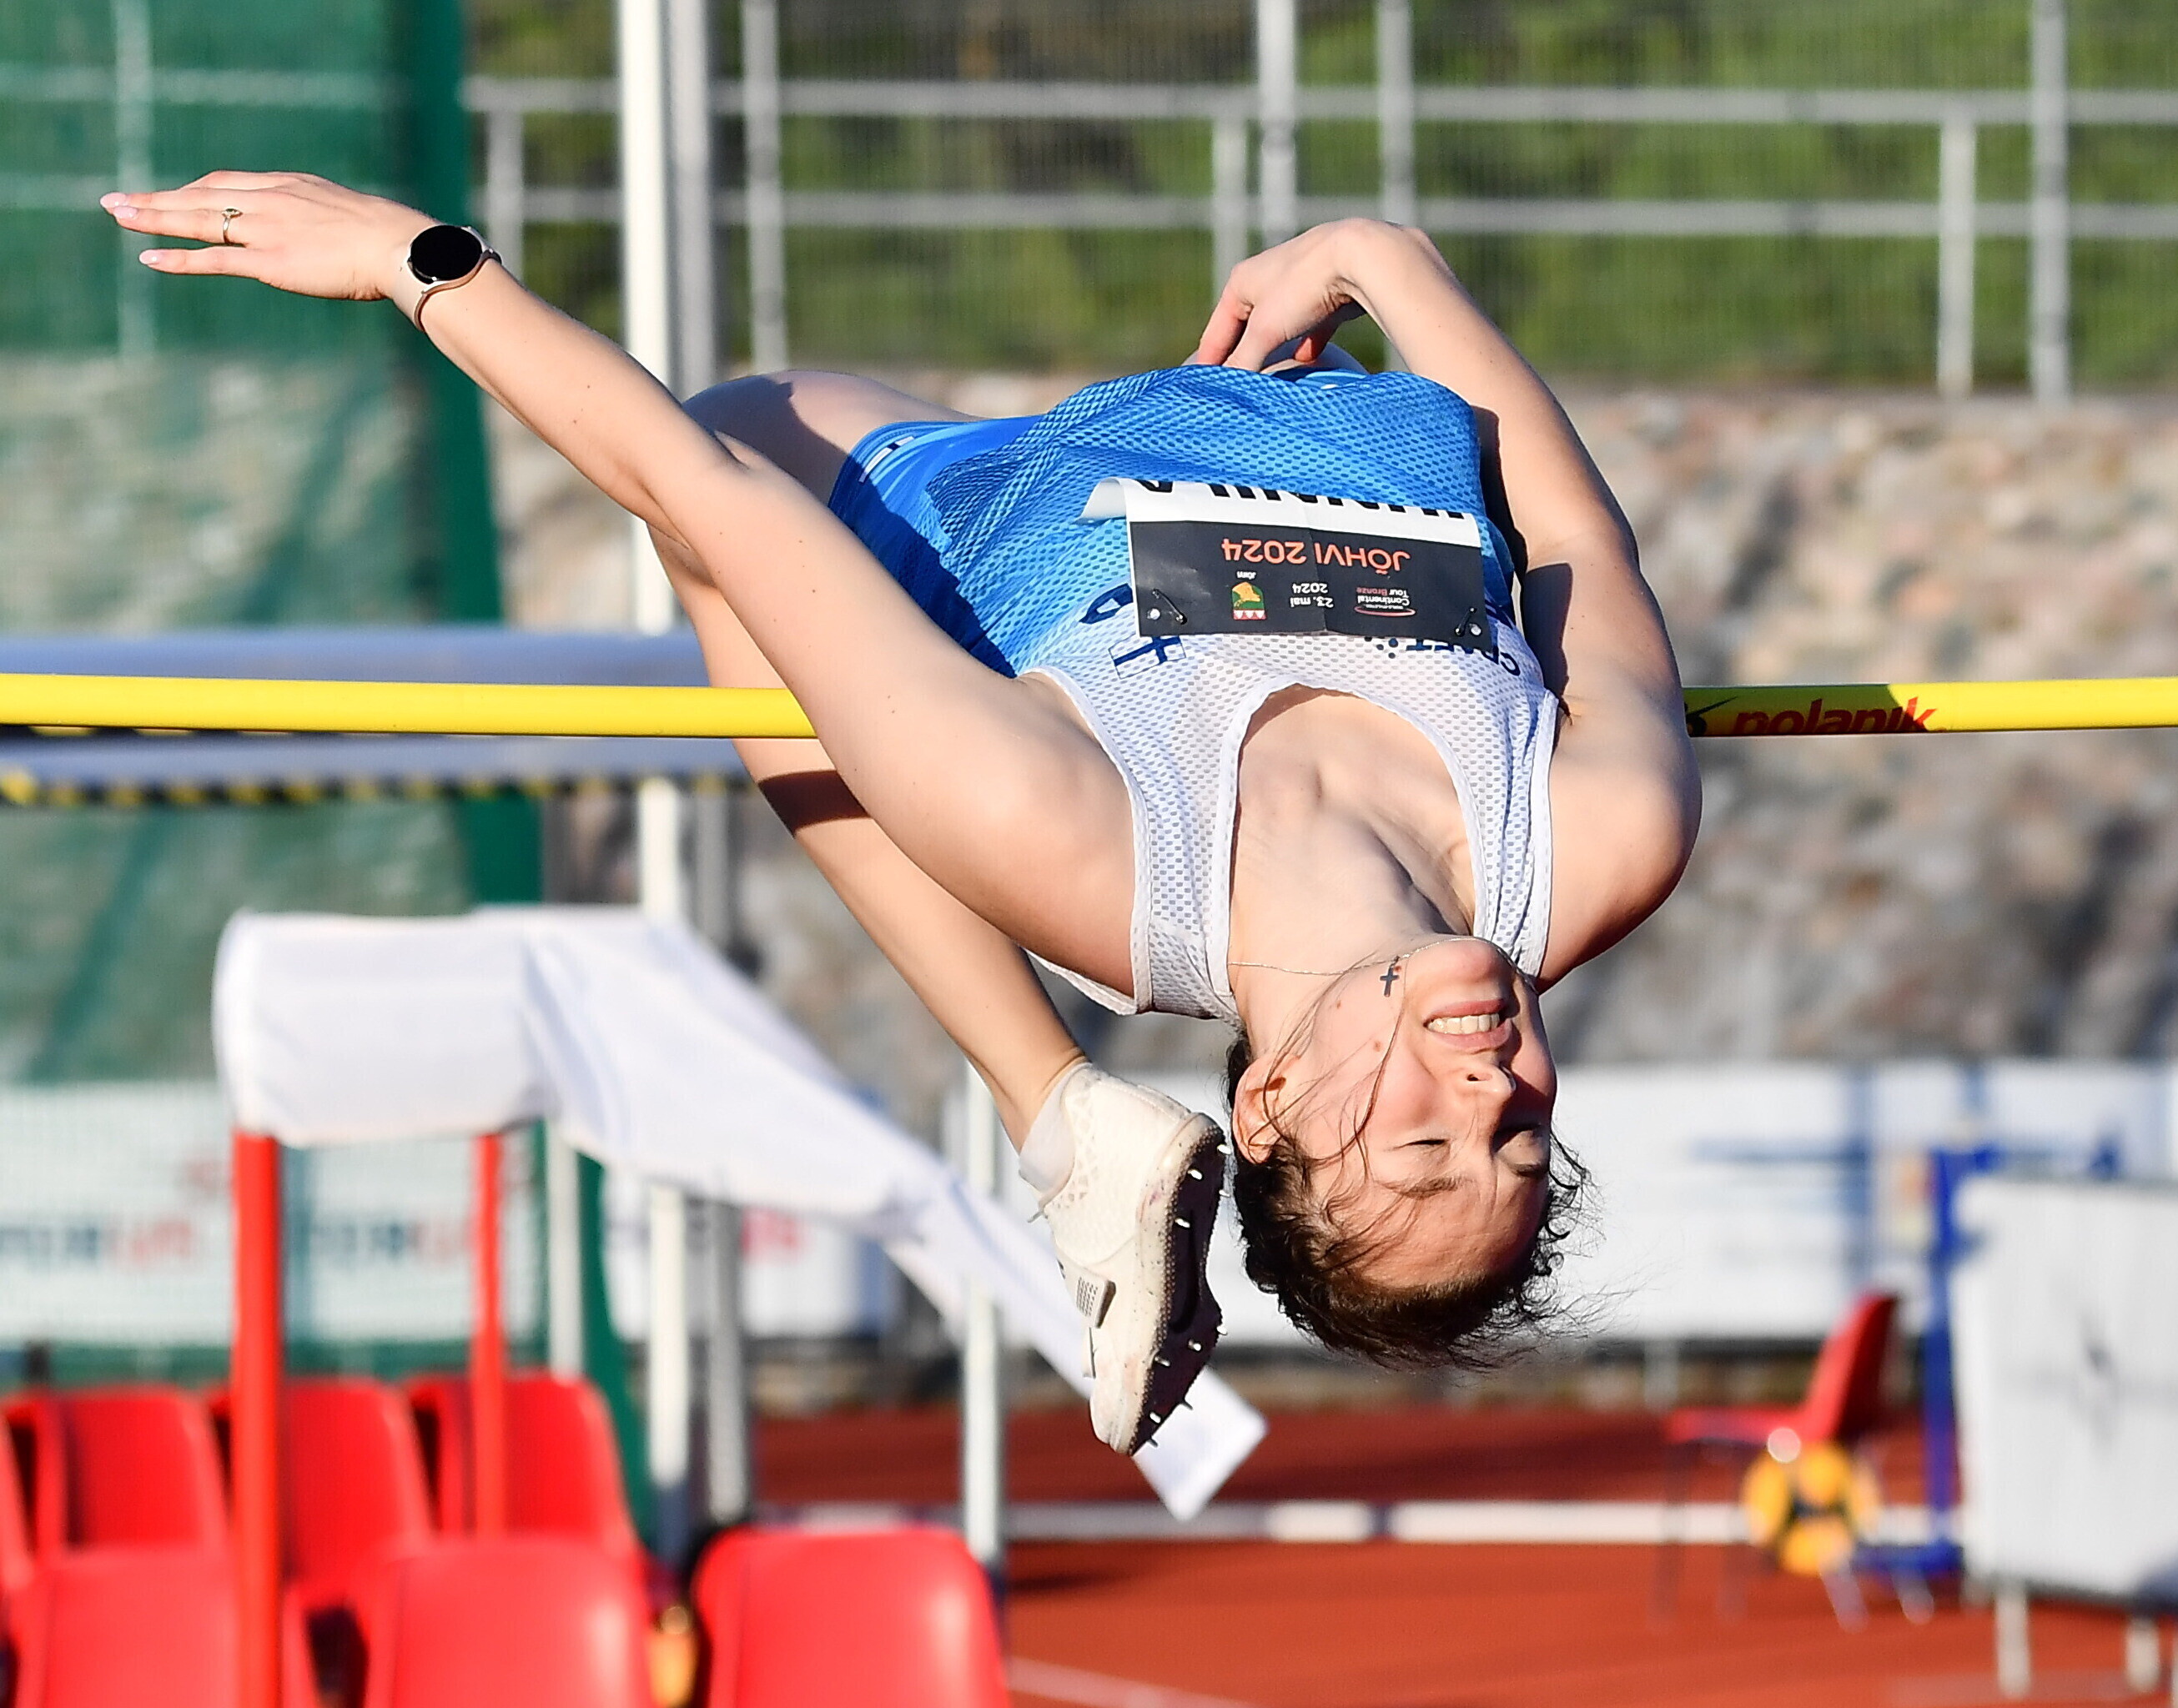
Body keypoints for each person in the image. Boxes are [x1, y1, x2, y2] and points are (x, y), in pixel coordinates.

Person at [104, 173, 1700, 1452]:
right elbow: (1577, 538)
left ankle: (1048, 1102)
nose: (1489, 1085)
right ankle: (1054, 1114)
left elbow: (702, 485)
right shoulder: (1598, 836)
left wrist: (421, 267)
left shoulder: (1080, 842)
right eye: (1520, 1135)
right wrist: (1381, 259)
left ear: (1268, 1108)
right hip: (1275, 416)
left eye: (1423, 1141)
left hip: (953, 507)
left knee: (736, 453)